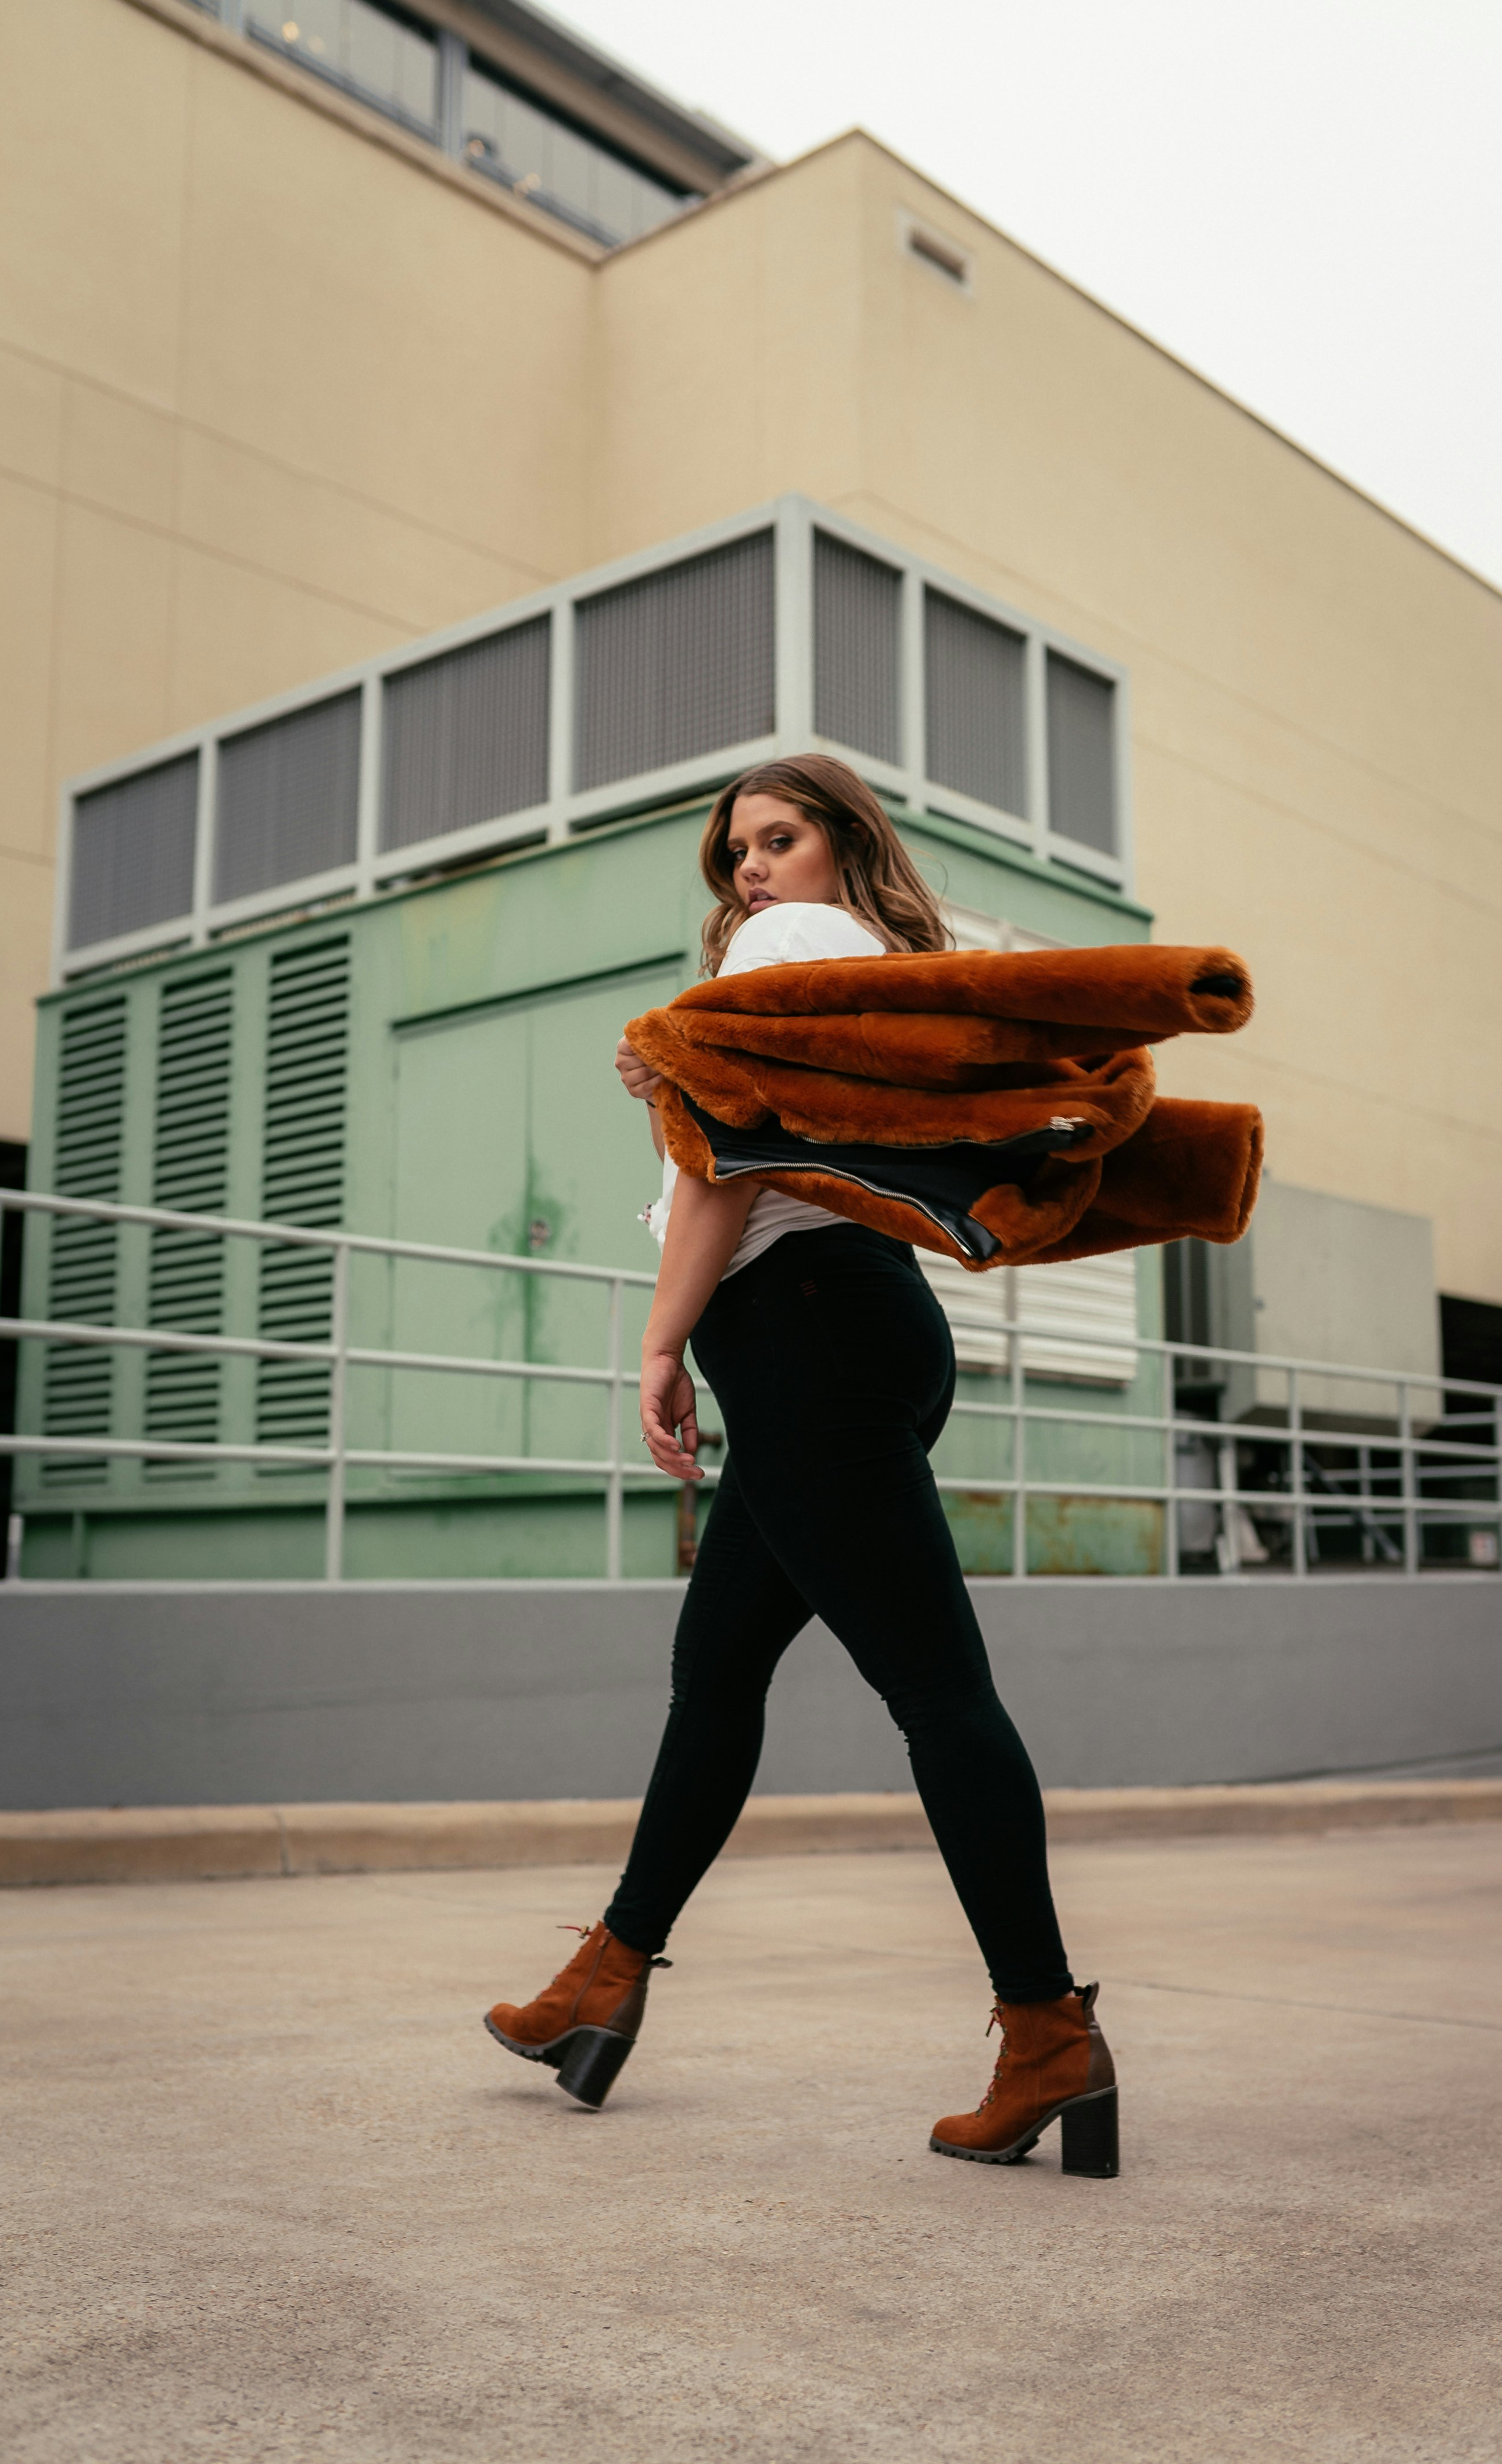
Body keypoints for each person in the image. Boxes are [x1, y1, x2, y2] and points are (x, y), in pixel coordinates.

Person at [484, 755, 1117, 2175]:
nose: (751, 871)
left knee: (938, 1688)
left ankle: (1047, 2030)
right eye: (735, 855)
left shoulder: (789, 947)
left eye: (780, 837)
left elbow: (736, 1169)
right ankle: (604, 1980)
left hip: (809, 1341)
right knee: (718, 1671)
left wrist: (660, 1344)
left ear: (845, 842)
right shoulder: (870, 964)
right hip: (858, 1330)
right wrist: (682, 1063)